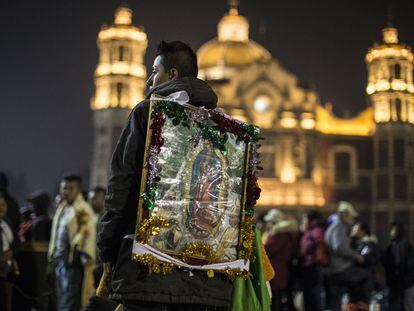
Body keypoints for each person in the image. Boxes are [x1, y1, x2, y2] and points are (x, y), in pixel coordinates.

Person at [97, 40, 234, 310]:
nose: (149, 79)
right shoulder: (227, 127)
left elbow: (121, 186)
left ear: (172, 75)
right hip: (209, 277)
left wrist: (108, 248)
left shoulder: (147, 114)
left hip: (148, 270)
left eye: (155, 71)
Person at [48, 173, 96, 311]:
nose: (66, 191)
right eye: (64, 188)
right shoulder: (64, 208)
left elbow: (85, 233)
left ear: (79, 190)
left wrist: (76, 254)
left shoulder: (82, 209)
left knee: (69, 300)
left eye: (71, 188)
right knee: (62, 297)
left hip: (73, 261)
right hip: (61, 260)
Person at [324, 201, 372, 311]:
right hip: (340, 269)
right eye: (351, 216)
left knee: (335, 300)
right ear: (344, 215)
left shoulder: (334, 227)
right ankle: (361, 306)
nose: (352, 220)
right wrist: (356, 256)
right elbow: (340, 247)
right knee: (366, 276)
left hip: (333, 269)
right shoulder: (339, 227)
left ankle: (353, 305)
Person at [263, 209, 298, 311]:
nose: (267, 224)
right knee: (277, 296)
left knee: (275, 298)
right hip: (281, 270)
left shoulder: (278, 235)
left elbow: (267, 249)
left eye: (269, 222)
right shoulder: (284, 234)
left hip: (276, 270)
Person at [299, 210, 326, 311]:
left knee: (313, 295)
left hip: (313, 265)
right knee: (310, 294)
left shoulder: (315, 230)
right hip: (309, 265)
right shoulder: (311, 230)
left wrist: (304, 249)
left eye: (305, 218)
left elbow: (311, 244)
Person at [385, 222, 414, 311]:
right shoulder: (391, 246)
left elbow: (408, 263)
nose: (391, 232)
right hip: (396, 284)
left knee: (407, 306)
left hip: (405, 284)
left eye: (394, 229)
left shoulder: (404, 244)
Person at [0, 192, 19, 311]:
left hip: (7, 273)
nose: (1, 208)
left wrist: (12, 252)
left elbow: (17, 243)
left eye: (3, 205)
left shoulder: (7, 222)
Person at [88, 186, 106, 289]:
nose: (90, 202)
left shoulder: (105, 216)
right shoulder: (98, 215)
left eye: (93, 198)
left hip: (103, 263)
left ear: (102, 198)